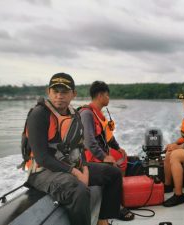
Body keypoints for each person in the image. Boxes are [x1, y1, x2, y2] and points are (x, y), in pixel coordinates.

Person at [25, 73, 122, 225]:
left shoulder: (75, 115)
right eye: (55, 91)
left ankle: (102, 220)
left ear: (73, 94)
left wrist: (84, 169)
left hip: (69, 165)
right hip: (42, 171)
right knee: (79, 191)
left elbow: (80, 147)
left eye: (64, 92)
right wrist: (75, 172)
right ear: (48, 92)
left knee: (114, 173)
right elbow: (42, 157)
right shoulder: (39, 114)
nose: (59, 96)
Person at [79, 80, 134, 221]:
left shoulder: (99, 115)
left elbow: (108, 137)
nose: (109, 98)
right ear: (100, 95)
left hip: (98, 153)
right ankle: (115, 208)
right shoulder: (87, 114)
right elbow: (88, 141)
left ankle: (116, 199)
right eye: (107, 95)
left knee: (122, 158)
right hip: (89, 158)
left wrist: (117, 148)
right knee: (114, 166)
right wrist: (104, 157)